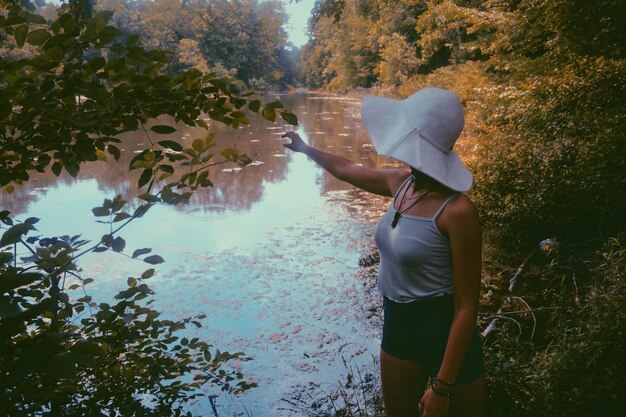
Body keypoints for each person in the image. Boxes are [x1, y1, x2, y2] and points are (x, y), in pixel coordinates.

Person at [282, 87, 486, 417]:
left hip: (444, 329)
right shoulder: (402, 183)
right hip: (398, 324)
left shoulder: (457, 212)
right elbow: (347, 169)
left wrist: (443, 386)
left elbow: (466, 306)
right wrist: (305, 149)